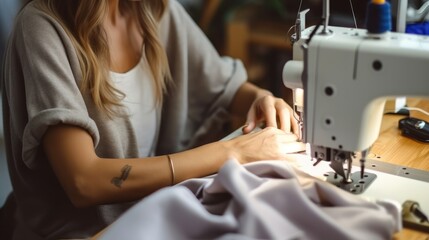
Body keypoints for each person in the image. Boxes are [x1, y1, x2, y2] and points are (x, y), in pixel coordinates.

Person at [1, 0, 305, 239]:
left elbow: (230, 88)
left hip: (145, 217)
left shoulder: (156, 12)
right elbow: (84, 181)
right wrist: (232, 152)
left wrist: (263, 98)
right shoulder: (41, 28)